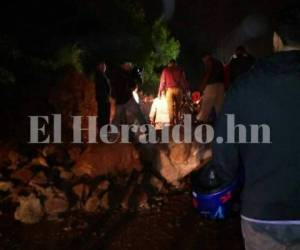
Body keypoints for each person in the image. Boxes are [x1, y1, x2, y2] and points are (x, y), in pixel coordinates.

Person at [213, 4, 300, 250]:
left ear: (276, 40)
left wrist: (231, 181)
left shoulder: (244, 86)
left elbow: (224, 155)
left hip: (263, 215)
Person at [197, 53, 225, 124]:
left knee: (206, 104)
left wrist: (202, 86)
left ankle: (201, 121)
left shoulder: (209, 61)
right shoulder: (219, 62)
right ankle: (221, 123)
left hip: (211, 85)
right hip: (221, 85)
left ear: (206, 57)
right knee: (219, 107)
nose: (203, 61)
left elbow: (208, 73)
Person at [158, 59, 188, 125]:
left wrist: (160, 92)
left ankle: (171, 122)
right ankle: (177, 120)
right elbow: (183, 81)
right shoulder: (180, 70)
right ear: (175, 63)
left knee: (170, 107)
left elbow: (162, 81)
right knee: (178, 107)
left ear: (169, 63)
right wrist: (186, 90)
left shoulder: (165, 70)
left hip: (169, 90)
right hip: (178, 90)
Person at [94, 61, 111, 128]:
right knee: (103, 114)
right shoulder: (99, 75)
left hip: (104, 98)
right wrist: (105, 96)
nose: (104, 67)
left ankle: (104, 127)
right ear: (99, 66)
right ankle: (103, 128)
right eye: (102, 65)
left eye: (104, 66)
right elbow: (101, 88)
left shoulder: (102, 75)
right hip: (103, 98)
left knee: (104, 113)